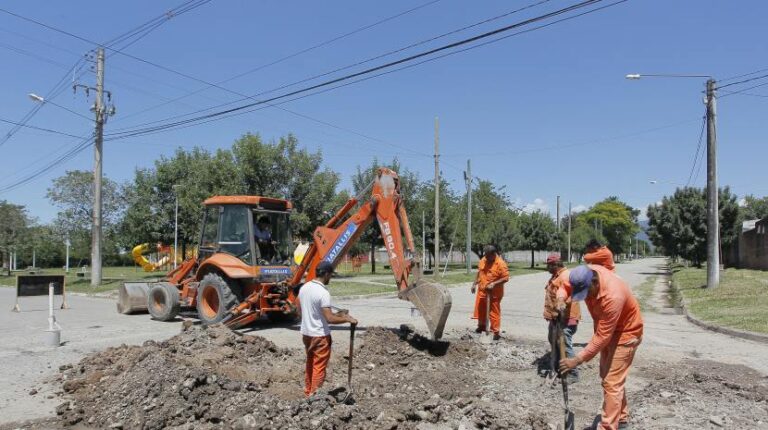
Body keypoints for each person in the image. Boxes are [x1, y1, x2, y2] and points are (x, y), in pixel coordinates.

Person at [560, 265, 643, 430]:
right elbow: (564, 284)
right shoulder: (582, 274)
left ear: (595, 282)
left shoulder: (613, 296)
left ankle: (608, 427)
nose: (586, 297)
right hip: (608, 332)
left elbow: (603, 337)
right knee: (609, 378)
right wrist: (560, 298)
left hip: (626, 334)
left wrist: (576, 360)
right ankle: (622, 419)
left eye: (587, 292)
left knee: (612, 382)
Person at [297, 261, 357, 397]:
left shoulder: (304, 287)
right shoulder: (323, 292)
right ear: (326, 274)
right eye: (330, 275)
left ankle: (308, 391)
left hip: (307, 334)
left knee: (310, 362)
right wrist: (347, 319)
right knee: (319, 366)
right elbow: (329, 319)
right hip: (320, 336)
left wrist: (339, 315)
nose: (330, 278)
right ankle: (314, 395)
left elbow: (301, 310)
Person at [543, 254, 580, 382]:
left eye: (549, 265)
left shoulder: (565, 276)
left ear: (556, 265)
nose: (547, 268)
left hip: (566, 317)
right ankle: (560, 366)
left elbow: (570, 296)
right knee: (554, 341)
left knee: (564, 343)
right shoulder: (556, 276)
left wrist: (562, 304)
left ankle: (573, 373)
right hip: (556, 317)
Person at [471, 245, 510, 341]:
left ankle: (495, 332)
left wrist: (494, 284)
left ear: (494, 254)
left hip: (495, 293)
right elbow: (479, 272)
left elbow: (505, 278)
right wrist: (474, 284)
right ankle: (482, 326)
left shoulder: (501, 264)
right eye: (485, 256)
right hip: (483, 290)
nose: (486, 258)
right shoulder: (484, 260)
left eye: (488, 256)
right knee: (481, 310)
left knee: (493, 313)